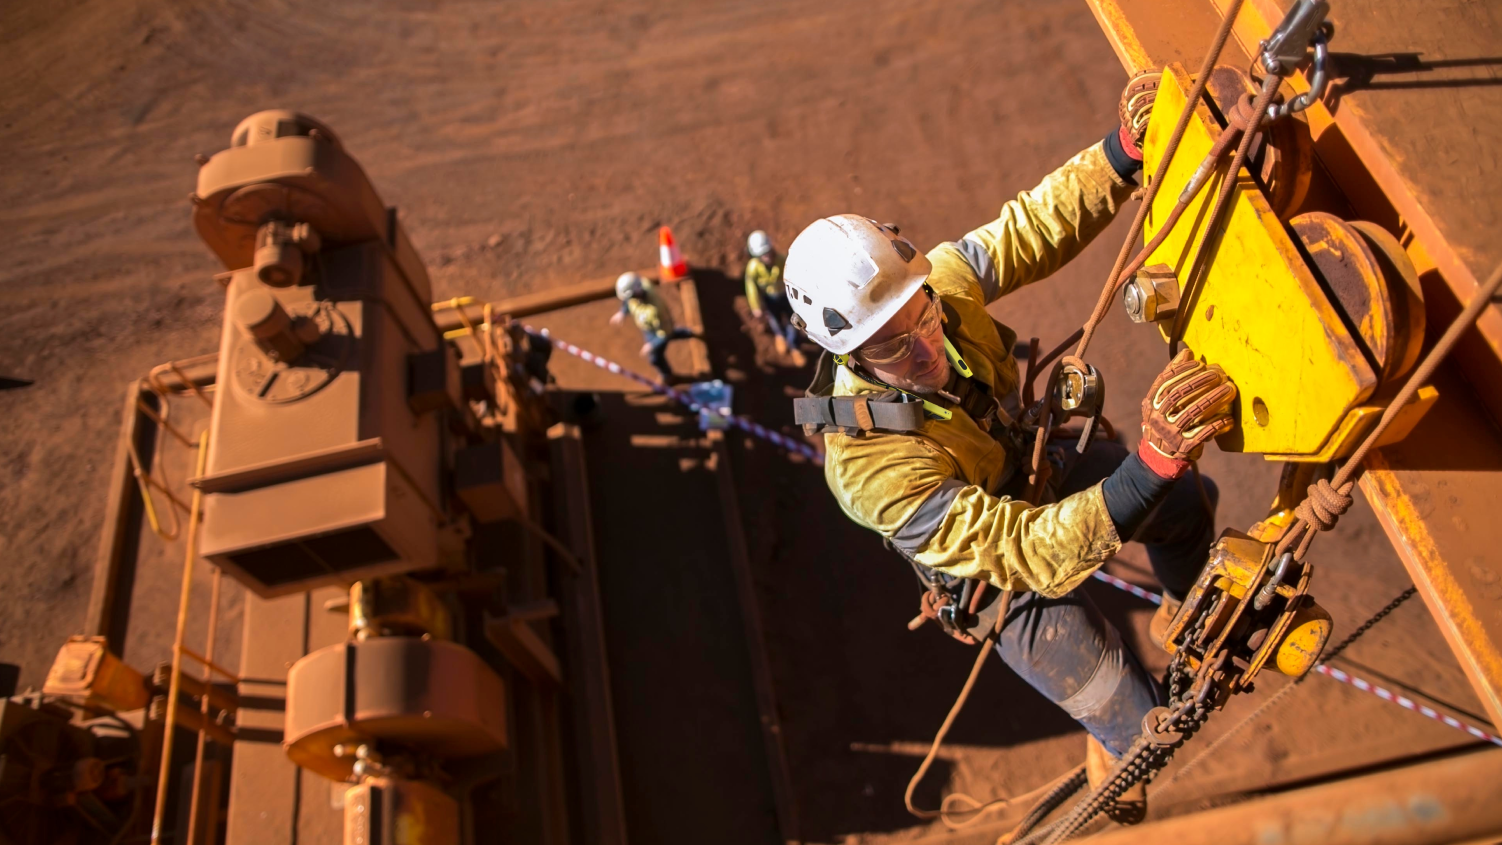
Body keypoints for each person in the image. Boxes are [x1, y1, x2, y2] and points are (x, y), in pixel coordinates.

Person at [783, 74, 1235, 821]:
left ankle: (1183, 613)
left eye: (921, 313)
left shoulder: (934, 292)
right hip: (1003, 580)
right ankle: (1117, 759)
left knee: (1189, 505)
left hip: (1031, 469)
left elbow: (1026, 228)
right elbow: (1022, 548)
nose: (925, 342)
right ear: (854, 356)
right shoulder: (868, 469)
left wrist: (1121, 154)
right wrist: (1148, 463)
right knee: (1145, 726)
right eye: (894, 346)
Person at [609, 271, 699, 382]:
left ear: (636, 292)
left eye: (631, 296)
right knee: (673, 333)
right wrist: (622, 312)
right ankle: (690, 332)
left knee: (655, 358)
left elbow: (665, 333)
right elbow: (627, 299)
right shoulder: (639, 286)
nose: (629, 299)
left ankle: (668, 376)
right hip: (650, 327)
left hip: (659, 330)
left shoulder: (655, 310)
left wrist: (652, 344)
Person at [743, 230, 806, 366]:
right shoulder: (753, 268)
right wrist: (756, 307)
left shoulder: (782, 260)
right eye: (762, 254)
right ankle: (780, 336)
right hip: (769, 299)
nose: (766, 256)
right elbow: (751, 288)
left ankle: (795, 347)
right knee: (774, 320)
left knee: (793, 323)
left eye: (767, 252)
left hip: (786, 297)